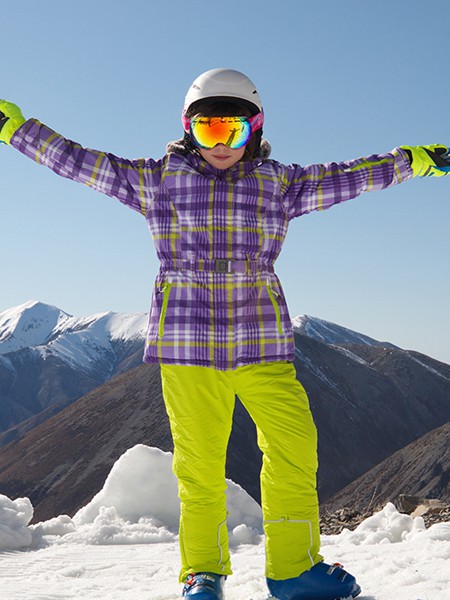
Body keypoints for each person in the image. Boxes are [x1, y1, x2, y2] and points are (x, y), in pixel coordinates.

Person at [1, 68, 448, 600]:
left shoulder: (279, 184)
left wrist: (412, 160)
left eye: (231, 130)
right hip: (188, 349)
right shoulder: (158, 180)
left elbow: (350, 176)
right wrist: (17, 130)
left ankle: (293, 570)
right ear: (187, 129)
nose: (219, 143)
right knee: (199, 466)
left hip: (263, 346)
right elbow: (79, 162)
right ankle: (203, 572)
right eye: (207, 129)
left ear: (253, 130)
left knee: (294, 449)